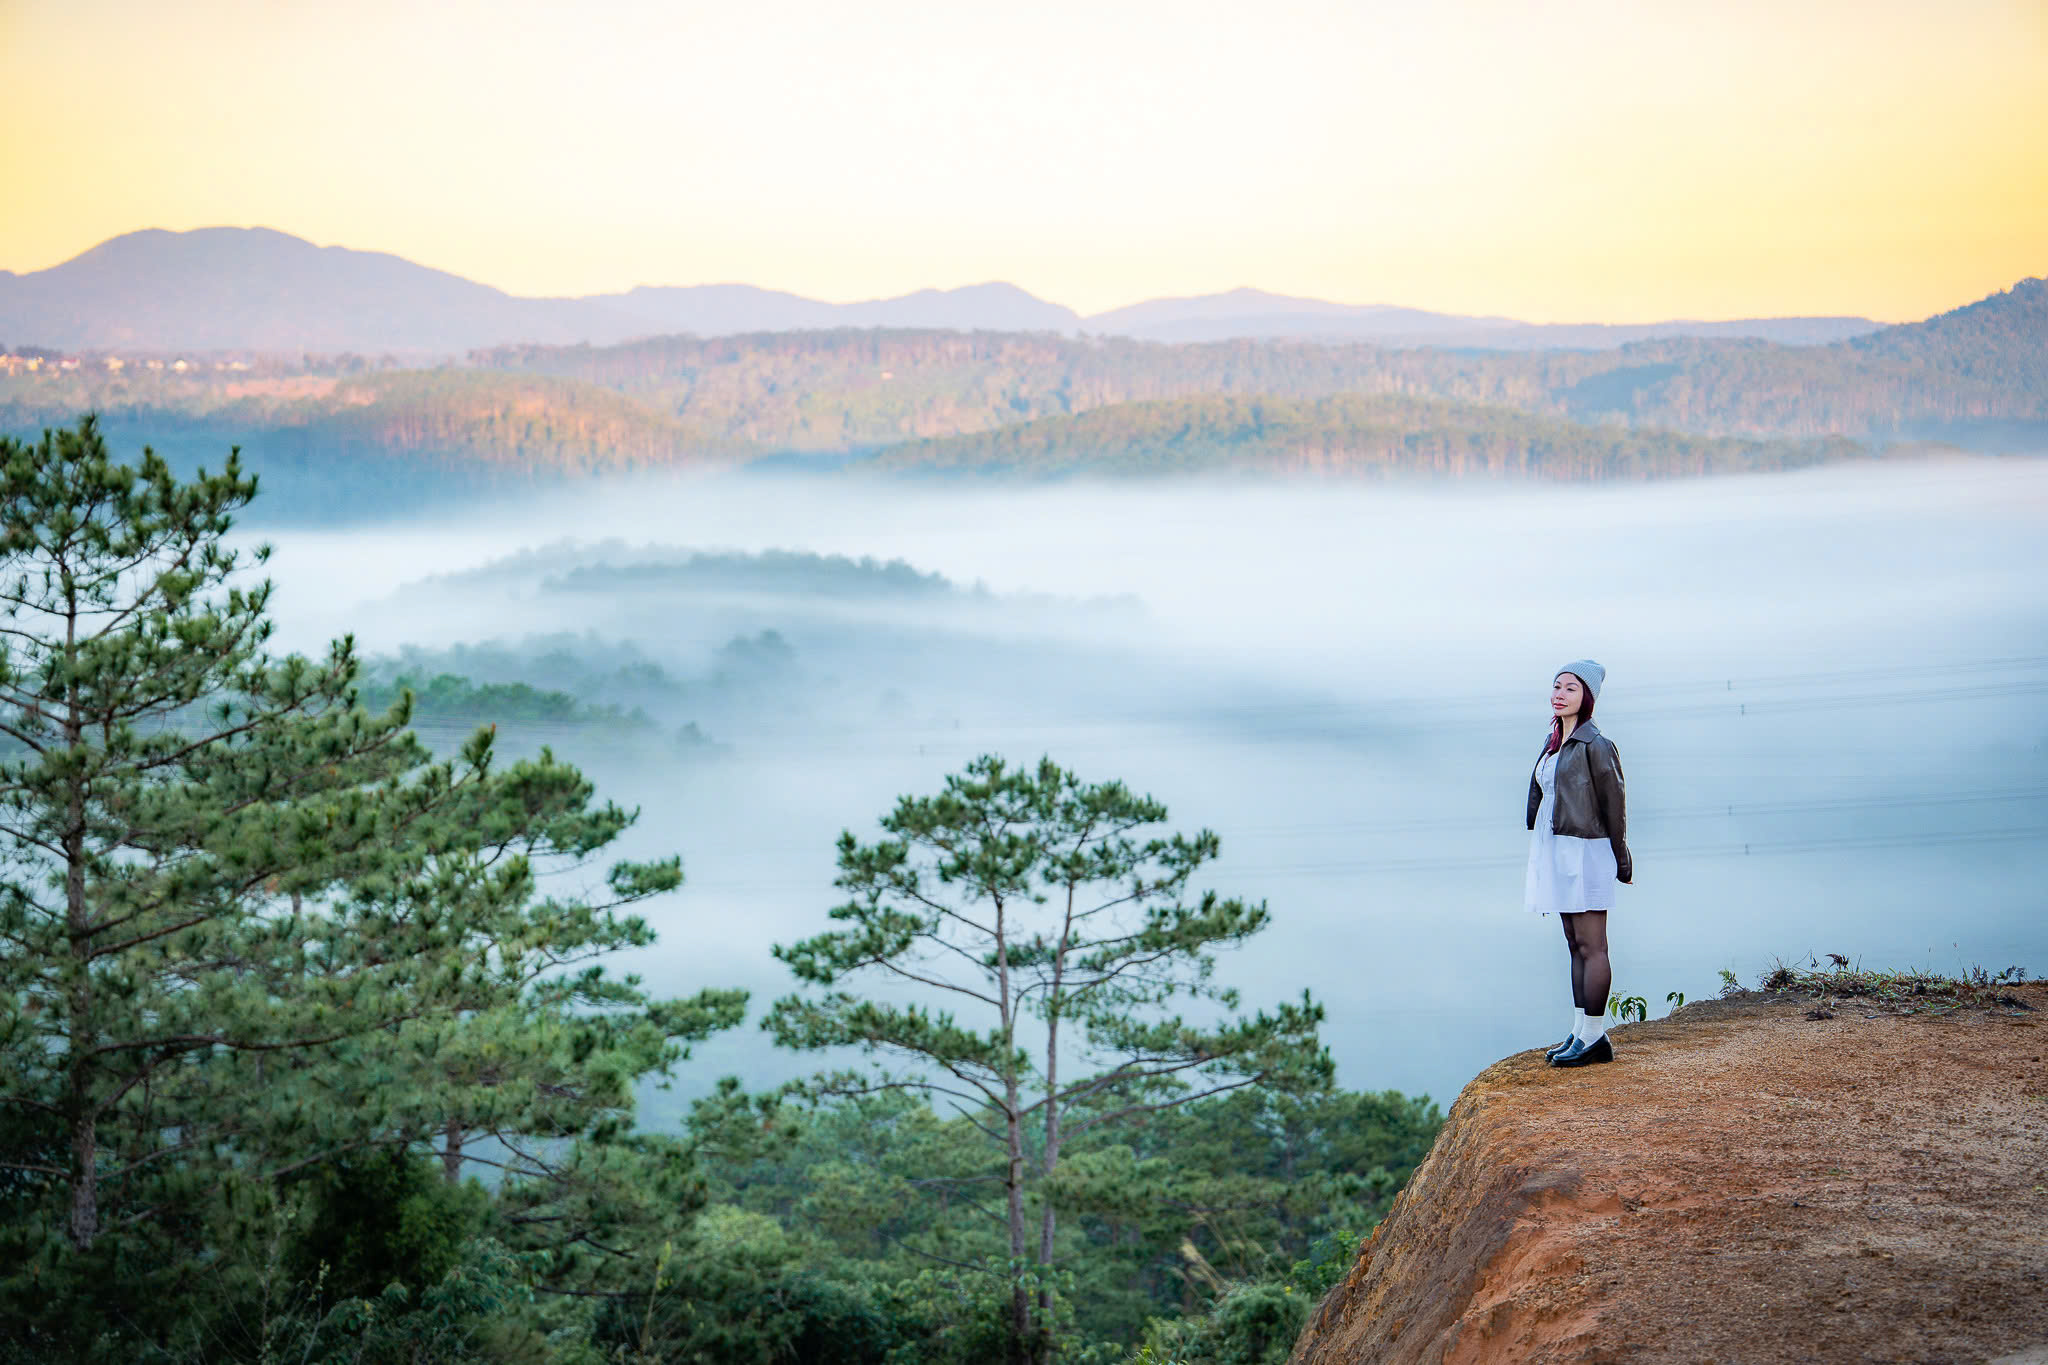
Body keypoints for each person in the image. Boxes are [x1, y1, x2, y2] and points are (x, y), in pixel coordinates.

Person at [1525, 660, 1632, 1067]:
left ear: (1587, 697)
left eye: (1571, 688)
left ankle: (1595, 1037)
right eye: (1556, 686)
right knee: (1574, 944)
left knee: (1592, 944)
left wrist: (1621, 859)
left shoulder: (1596, 745)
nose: (1560, 693)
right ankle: (1579, 1032)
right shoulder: (1554, 740)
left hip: (1586, 851)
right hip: (1558, 849)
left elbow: (1615, 806)